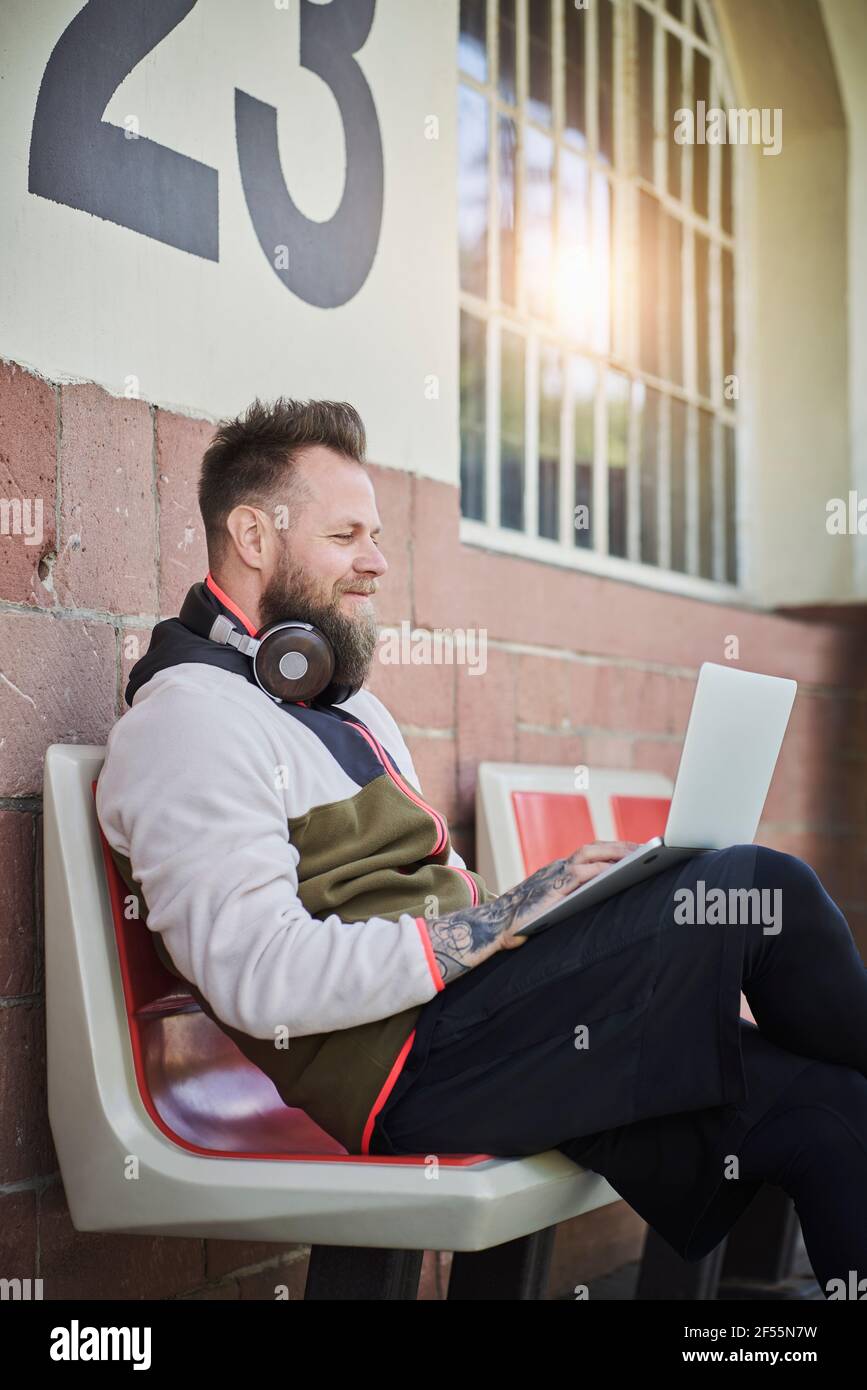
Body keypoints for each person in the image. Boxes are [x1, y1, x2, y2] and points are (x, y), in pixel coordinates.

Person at [96, 397, 867, 1299]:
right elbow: (258, 977)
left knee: (828, 1115)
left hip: (486, 1029)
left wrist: (551, 902)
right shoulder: (187, 722)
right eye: (347, 534)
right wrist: (504, 919)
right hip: (407, 1070)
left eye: (377, 534)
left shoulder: (340, 706)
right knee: (751, 891)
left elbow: (443, 902)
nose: (377, 561)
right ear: (253, 537)